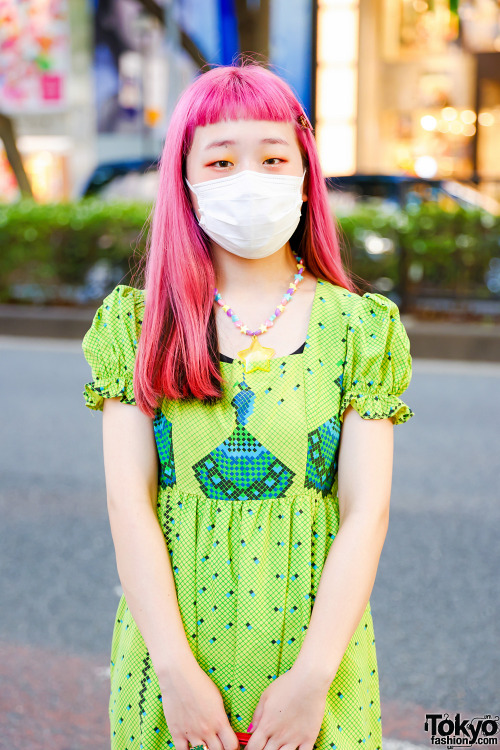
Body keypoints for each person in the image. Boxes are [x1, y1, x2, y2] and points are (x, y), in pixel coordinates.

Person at [82, 61, 415, 750]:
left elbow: (366, 512)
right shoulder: (139, 327)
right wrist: (174, 674)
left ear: (303, 170)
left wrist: (312, 680)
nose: (250, 180)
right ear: (184, 176)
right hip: (172, 666)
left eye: (271, 158)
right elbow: (129, 506)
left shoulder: (360, 331)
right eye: (222, 160)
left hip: (315, 663)